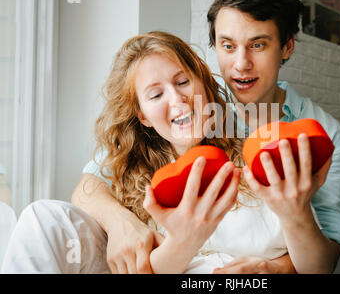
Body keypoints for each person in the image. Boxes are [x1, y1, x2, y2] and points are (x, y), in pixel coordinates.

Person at [73, 0, 340, 274]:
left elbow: (324, 259)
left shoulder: (324, 133)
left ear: (286, 46)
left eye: (258, 45)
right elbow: (91, 183)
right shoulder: (199, 108)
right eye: (228, 46)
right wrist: (121, 224)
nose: (241, 63)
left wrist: (274, 268)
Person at [2, 31, 323, 273]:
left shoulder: (258, 160)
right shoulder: (131, 172)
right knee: (42, 216)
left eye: (183, 81)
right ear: (142, 115)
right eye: (156, 95)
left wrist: (295, 218)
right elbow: (87, 189)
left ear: (205, 85)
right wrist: (129, 225)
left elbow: (316, 266)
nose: (177, 100)